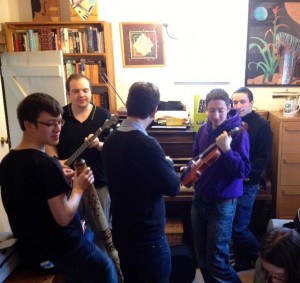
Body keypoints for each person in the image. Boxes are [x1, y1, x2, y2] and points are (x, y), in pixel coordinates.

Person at [0, 93, 118, 283]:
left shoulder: (7, 161)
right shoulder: (47, 164)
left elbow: (32, 200)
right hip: (61, 251)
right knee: (106, 268)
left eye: (59, 122)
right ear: (28, 124)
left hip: (30, 251)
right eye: (50, 124)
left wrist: (59, 181)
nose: (57, 129)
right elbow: (63, 217)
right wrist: (79, 187)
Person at [101, 81, 181, 283]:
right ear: (154, 111)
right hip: (147, 236)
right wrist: (168, 164)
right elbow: (173, 187)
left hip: (122, 230)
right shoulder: (147, 144)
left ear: (127, 105)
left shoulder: (110, 140)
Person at [190, 88, 251, 283]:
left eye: (220, 110)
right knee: (202, 257)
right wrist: (190, 170)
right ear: (206, 110)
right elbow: (196, 157)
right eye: (211, 110)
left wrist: (227, 150)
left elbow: (243, 171)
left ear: (229, 108)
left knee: (217, 261)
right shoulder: (202, 130)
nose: (216, 116)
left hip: (223, 204)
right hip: (199, 200)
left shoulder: (239, 132)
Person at [46, 73, 113, 239]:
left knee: (102, 233)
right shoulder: (60, 115)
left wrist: (98, 144)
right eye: (76, 91)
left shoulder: (104, 116)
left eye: (85, 90)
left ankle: (105, 264)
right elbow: (49, 142)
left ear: (91, 92)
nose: (81, 95)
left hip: (99, 184)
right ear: (68, 93)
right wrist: (57, 161)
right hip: (68, 183)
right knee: (72, 232)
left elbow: (112, 148)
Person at [231, 87, 273, 271]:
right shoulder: (231, 121)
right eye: (235, 102)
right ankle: (241, 263)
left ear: (251, 103)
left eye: (242, 101)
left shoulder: (262, 126)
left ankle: (266, 257)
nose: (238, 105)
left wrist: (245, 175)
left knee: (239, 228)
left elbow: (262, 159)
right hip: (231, 182)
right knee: (233, 226)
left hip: (248, 182)